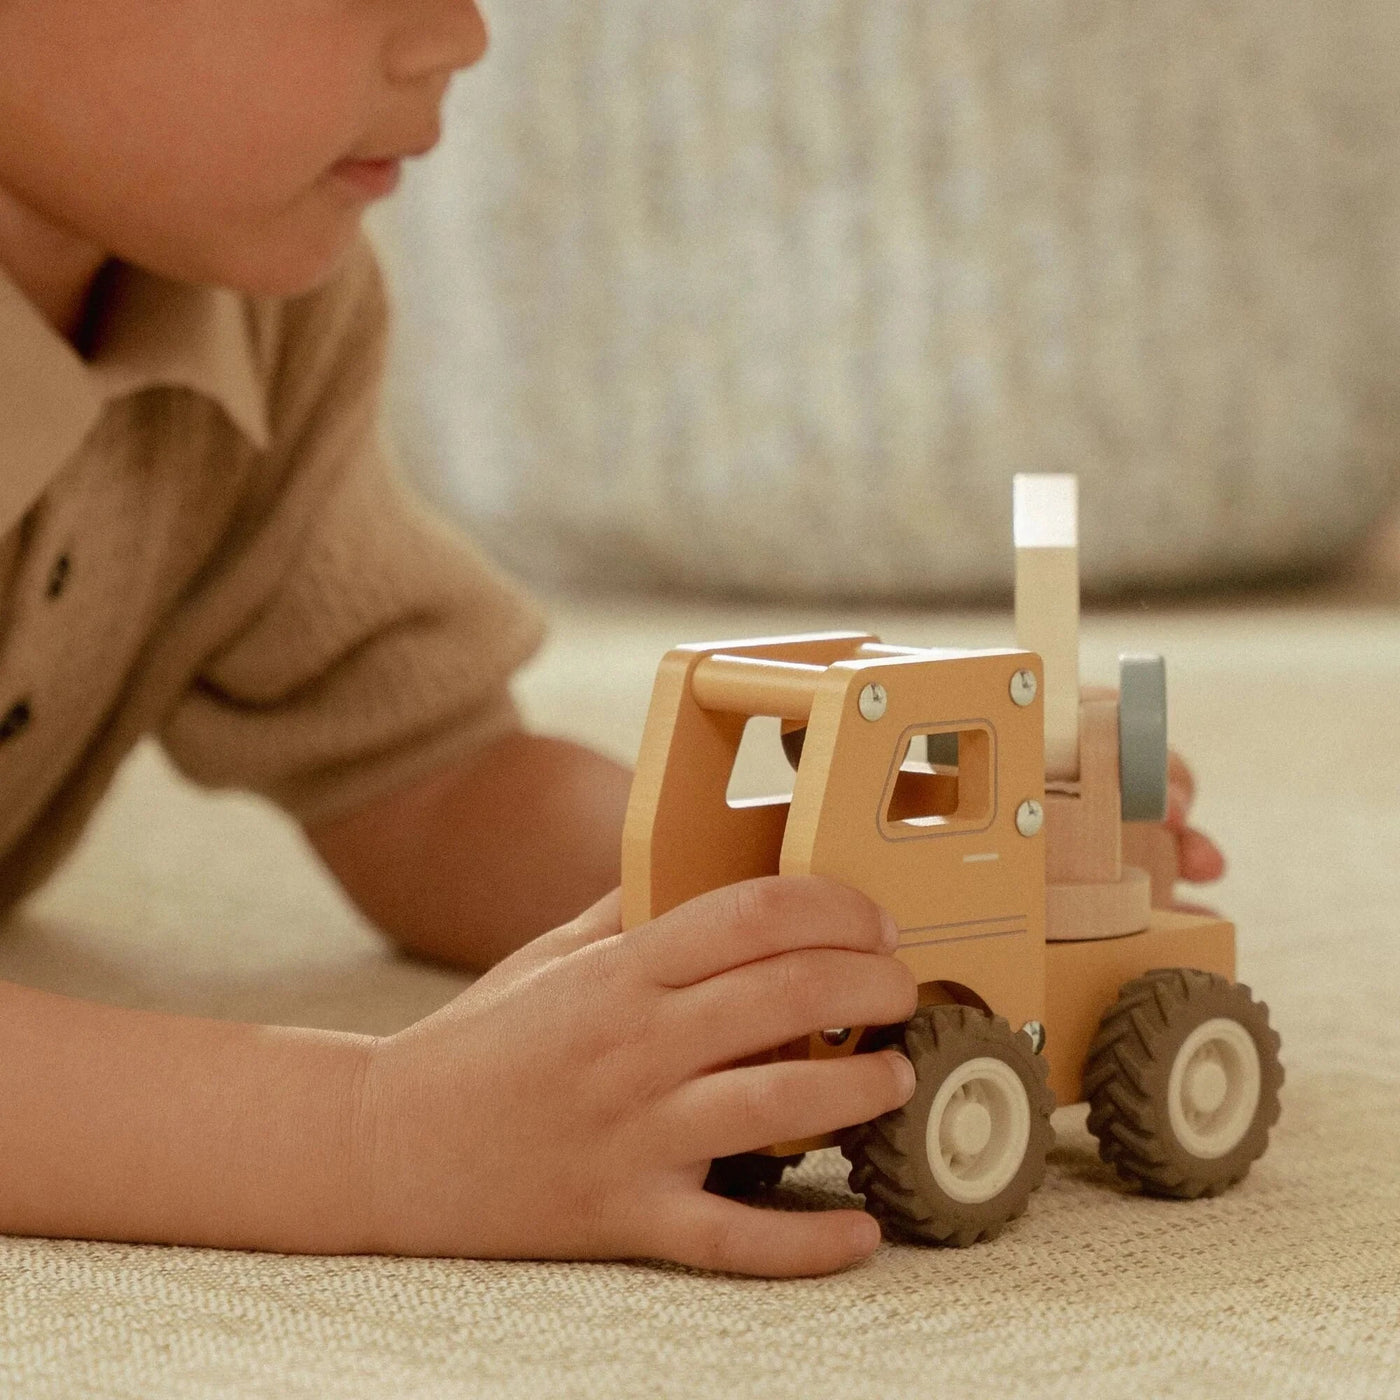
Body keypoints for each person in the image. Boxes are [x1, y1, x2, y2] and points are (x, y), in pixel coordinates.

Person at [0, 0, 1223, 1279]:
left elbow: (425, 781)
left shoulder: (259, 310)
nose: (457, 38)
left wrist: (870, 886)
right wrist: (373, 1132)